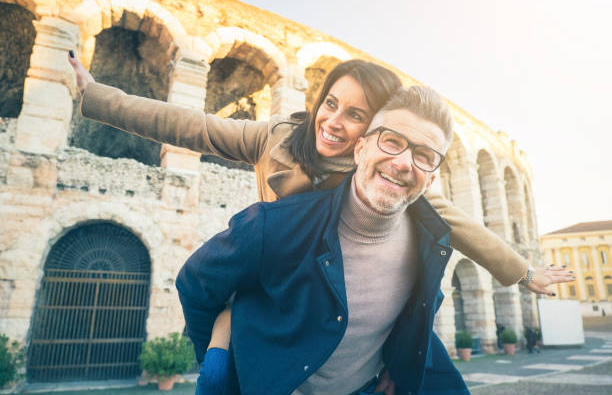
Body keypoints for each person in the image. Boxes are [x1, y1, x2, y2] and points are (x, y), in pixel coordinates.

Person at [67, 54, 573, 392]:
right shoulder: (276, 138)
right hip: (271, 289)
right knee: (218, 377)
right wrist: (95, 95)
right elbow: (188, 126)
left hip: (333, 295)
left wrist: (523, 273)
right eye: (330, 103)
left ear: (371, 134)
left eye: (355, 115)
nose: (334, 121)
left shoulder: (380, 169)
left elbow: (451, 219)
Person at [176, 86, 567, 394]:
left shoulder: (430, 243)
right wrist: (220, 357)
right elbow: (195, 284)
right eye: (392, 142)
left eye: (424, 156)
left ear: (432, 180)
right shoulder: (272, 223)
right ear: (360, 147)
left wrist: (399, 363)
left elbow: (425, 296)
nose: (402, 162)